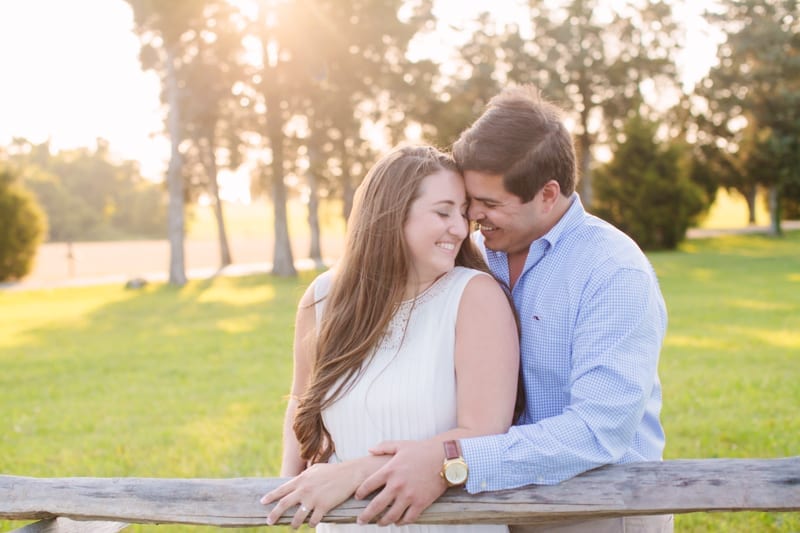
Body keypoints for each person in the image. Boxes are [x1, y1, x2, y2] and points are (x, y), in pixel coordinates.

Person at [353, 86, 672, 533]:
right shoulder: (474, 254)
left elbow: (599, 431)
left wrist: (452, 460)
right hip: (495, 502)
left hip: (596, 505)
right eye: (468, 203)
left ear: (547, 194)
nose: (471, 219)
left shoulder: (613, 272)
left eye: (488, 204)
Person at [260, 144, 520, 531]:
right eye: (443, 211)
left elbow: (484, 432)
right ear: (393, 214)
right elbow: (301, 403)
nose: (460, 228)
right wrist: (287, 492)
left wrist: (355, 473)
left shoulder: (474, 296)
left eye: (462, 213)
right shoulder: (324, 297)